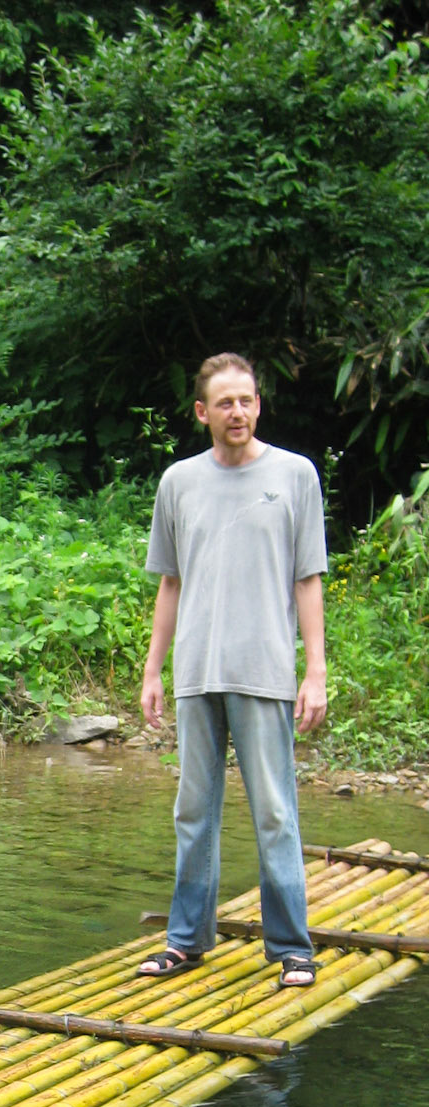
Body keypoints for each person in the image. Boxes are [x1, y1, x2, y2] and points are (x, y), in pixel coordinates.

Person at [138, 352, 328, 988]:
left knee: (274, 812)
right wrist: (153, 670)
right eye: (225, 403)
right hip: (197, 671)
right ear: (203, 412)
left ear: (258, 405)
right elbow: (169, 582)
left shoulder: (295, 475)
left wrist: (315, 672)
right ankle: (186, 940)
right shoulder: (179, 482)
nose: (237, 412)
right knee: (193, 811)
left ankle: (291, 947)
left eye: (246, 400)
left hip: (264, 669)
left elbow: (308, 578)